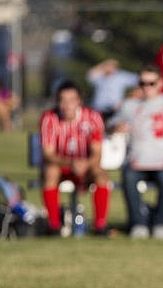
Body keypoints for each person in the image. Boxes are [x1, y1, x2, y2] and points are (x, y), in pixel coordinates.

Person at [108, 65, 163, 239]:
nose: (146, 87)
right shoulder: (129, 105)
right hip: (136, 161)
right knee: (129, 176)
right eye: (142, 83)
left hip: (162, 161)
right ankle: (138, 224)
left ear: (160, 83)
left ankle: (161, 225)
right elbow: (110, 124)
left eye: (151, 83)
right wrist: (116, 127)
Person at [39, 80, 111, 236]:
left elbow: (97, 152)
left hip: (86, 166)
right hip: (61, 166)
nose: (67, 105)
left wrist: (84, 164)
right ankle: (54, 226)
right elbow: (48, 154)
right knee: (50, 171)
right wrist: (71, 163)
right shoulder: (49, 118)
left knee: (101, 173)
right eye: (62, 100)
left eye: (71, 100)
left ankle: (100, 225)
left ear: (79, 101)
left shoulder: (93, 117)